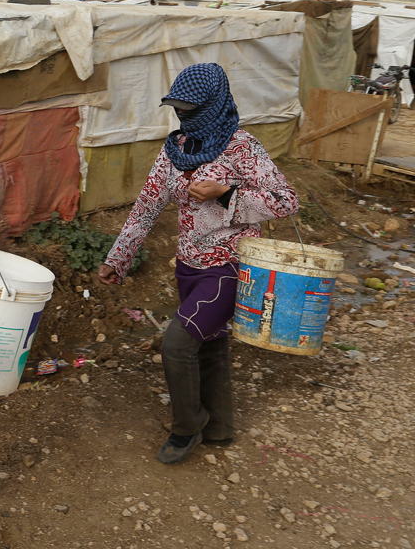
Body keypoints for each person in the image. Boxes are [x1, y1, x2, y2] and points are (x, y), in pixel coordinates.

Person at [97, 63, 299, 465]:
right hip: (189, 266)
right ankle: (219, 427)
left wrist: (226, 193)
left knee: (177, 344)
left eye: (192, 108)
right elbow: (145, 209)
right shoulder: (176, 149)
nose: (183, 115)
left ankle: (186, 427)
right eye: (178, 107)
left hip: (232, 265)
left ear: (213, 103)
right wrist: (118, 258)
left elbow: (285, 201)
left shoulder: (242, 147)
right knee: (209, 344)